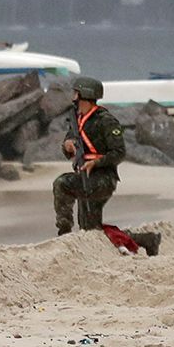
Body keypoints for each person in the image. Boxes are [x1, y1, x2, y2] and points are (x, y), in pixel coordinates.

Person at [54, 76, 127, 235]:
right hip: (84, 174)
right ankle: (144, 240)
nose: (73, 97)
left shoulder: (105, 120)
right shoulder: (77, 119)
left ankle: (64, 230)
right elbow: (70, 140)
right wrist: (67, 146)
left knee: (62, 183)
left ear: (83, 94)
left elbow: (119, 152)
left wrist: (96, 163)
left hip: (103, 178)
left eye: (76, 93)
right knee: (89, 227)